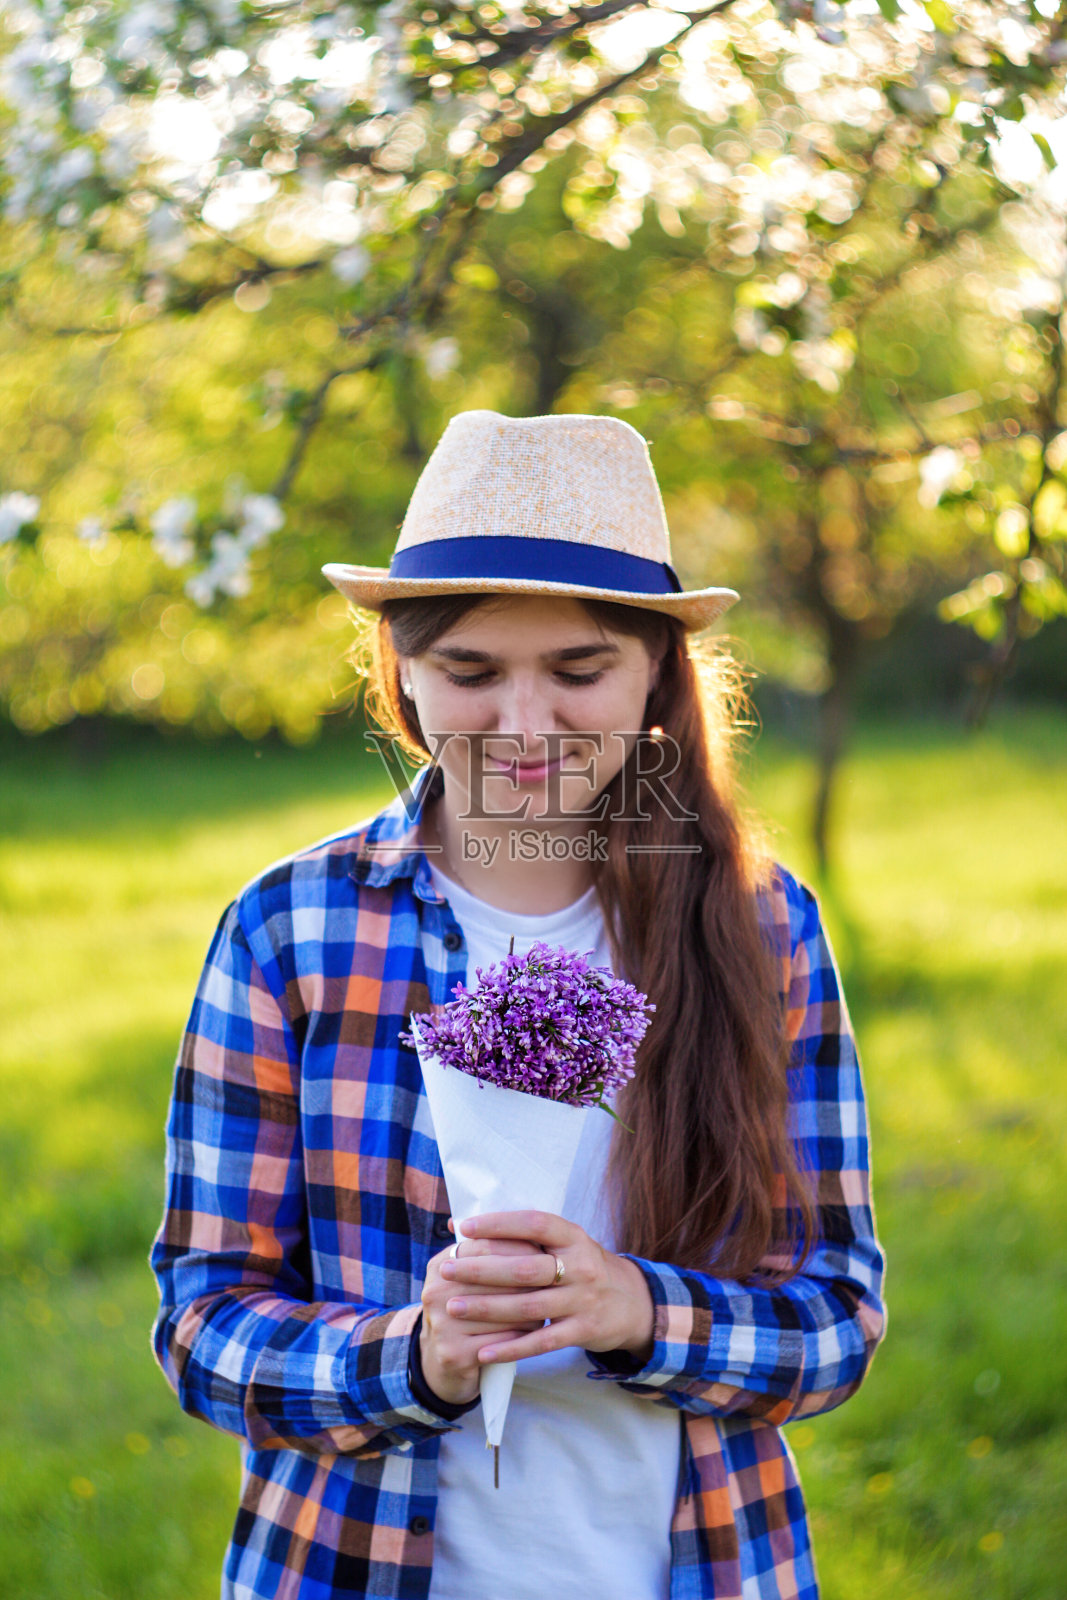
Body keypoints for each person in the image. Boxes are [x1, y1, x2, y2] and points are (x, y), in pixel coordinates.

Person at [150, 410, 886, 1600]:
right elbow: (202, 1328)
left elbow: (835, 1319)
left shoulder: (759, 925)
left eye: (579, 670)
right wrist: (415, 1355)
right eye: (470, 671)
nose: (524, 725)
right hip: (353, 1567)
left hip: (687, 1564)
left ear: (656, 672)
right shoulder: (295, 928)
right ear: (400, 669)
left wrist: (636, 1308)